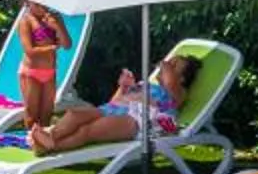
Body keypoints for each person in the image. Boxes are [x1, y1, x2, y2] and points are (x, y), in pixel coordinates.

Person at [30, 52, 193, 155]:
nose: (167, 65)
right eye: (169, 63)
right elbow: (114, 102)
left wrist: (165, 65)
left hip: (136, 121)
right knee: (74, 114)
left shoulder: (177, 94)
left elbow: (171, 84)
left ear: (182, 79)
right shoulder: (146, 84)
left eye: (174, 66)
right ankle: (50, 137)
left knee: (87, 131)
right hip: (113, 110)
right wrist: (123, 88)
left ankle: (51, 144)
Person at [15, 2, 70, 131]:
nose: (42, 7)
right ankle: (31, 142)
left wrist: (57, 27)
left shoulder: (56, 18)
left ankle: (42, 142)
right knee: (32, 115)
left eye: (44, 4)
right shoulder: (26, 21)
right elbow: (29, 51)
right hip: (31, 73)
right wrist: (53, 47)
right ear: (28, 2)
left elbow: (67, 45)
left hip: (50, 72)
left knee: (47, 114)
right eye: (37, 4)